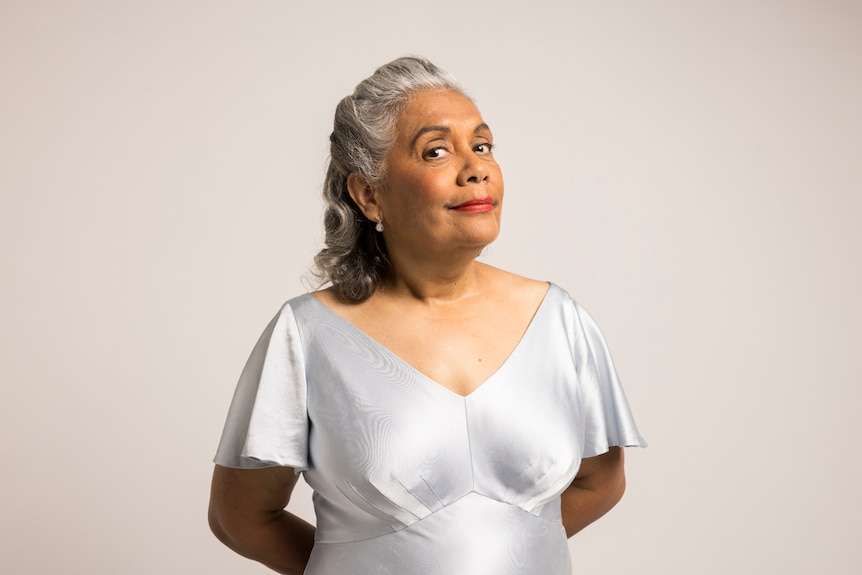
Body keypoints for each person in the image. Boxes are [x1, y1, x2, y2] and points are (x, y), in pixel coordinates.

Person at [208, 56, 646, 575]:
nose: (476, 167)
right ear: (370, 194)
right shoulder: (307, 336)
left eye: (482, 146)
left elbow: (602, 482)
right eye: (436, 151)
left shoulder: (559, 320)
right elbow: (241, 516)